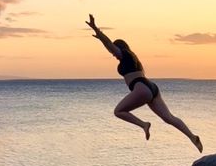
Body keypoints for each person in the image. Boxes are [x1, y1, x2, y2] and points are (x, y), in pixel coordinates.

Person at [86, 14, 203, 151]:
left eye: (115, 52)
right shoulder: (134, 59)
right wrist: (100, 36)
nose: (114, 55)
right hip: (151, 87)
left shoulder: (125, 54)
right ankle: (192, 136)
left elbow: (109, 45)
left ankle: (143, 124)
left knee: (118, 111)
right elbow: (111, 47)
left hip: (141, 88)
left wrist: (97, 30)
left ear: (120, 48)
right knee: (169, 117)